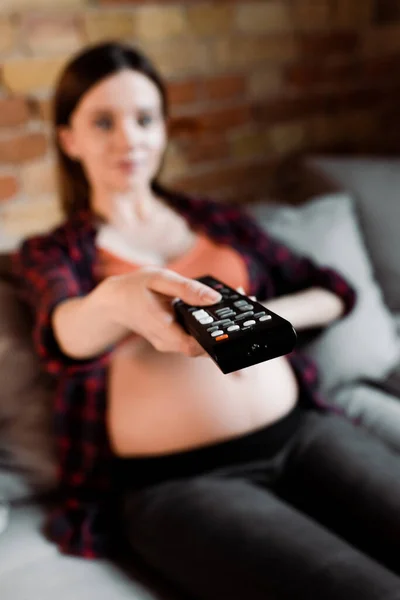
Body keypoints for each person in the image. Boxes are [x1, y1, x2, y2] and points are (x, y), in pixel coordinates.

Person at [11, 41, 400, 600]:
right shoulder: (56, 254)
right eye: (103, 122)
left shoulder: (217, 220)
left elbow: (332, 292)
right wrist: (111, 304)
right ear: (69, 139)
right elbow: (62, 335)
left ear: (163, 129)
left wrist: (263, 320)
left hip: (305, 432)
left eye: (145, 119)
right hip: (182, 482)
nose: (130, 138)